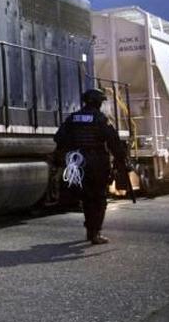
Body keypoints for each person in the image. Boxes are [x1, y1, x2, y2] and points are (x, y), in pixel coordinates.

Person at [54, 88, 129, 245]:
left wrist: (72, 150)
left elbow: (59, 138)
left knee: (87, 198)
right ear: (98, 103)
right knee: (99, 198)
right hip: (97, 163)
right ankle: (96, 232)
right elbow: (113, 141)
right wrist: (121, 159)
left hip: (78, 162)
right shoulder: (101, 119)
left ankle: (90, 230)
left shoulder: (73, 118)